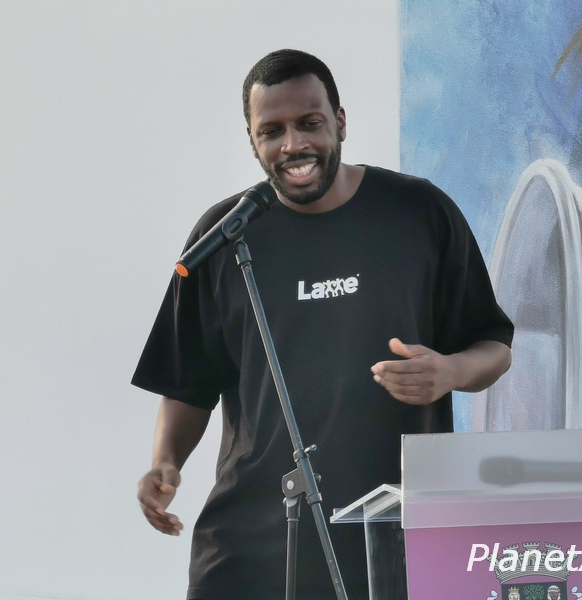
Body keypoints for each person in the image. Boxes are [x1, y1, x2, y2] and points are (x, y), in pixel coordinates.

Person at [132, 48, 514, 599]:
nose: (293, 145)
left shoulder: (419, 213)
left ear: (339, 121)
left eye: (309, 123)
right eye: (272, 131)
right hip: (251, 551)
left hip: (390, 545)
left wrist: (450, 372)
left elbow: (494, 345)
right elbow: (186, 381)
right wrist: (164, 464)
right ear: (252, 140)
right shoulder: (223, 236)